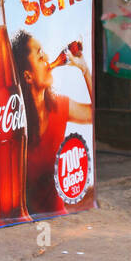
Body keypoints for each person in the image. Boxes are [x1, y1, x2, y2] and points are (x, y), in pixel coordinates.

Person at [11, 31, 93, 217]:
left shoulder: (58, 106)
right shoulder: (14, 123)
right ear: (28, 76)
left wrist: (84, 70)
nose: (48, 58)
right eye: (40, 56)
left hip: (59, 218)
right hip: (21, 224)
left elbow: (92, 114)